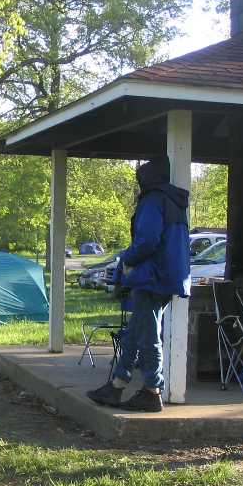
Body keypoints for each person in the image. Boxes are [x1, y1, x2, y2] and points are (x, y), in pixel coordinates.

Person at [87, 158, 190, 412]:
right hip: (171, 275)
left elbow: (147, 240)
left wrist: (126, 260)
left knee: (148, 335)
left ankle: (152, 391)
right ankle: (117, 384)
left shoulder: (153, 200)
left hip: (152, 276)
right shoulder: (174, 202)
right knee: (135, 331)